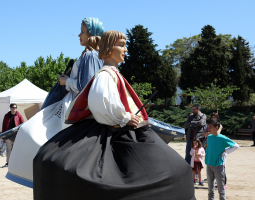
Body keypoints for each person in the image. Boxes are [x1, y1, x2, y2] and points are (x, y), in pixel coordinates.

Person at [33, 30, 195, 200]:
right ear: (109, 48)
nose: (126, 50)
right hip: (113, 125)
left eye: (125, 45)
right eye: (122, 45)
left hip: (121, 124)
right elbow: (100, 101)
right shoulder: (105, 75)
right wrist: (123, 117)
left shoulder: (114, 74)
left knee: (174, 167)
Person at [7, 17, 105, 186]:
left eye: (82, 31)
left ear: (92, 34)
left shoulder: (89, 55)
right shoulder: (94, 56)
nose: (79, 35)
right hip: (76, 103)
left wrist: (65, 82)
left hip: (72, 105)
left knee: (29, 130)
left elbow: (86, 87)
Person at [206, 118, 239, 200]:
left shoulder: (222, 138)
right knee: (210, 189)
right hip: (209, 164)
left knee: (221, 189)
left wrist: (225, 150)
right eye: (208, 126)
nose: (208, 128)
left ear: (216, 127)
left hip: (218, 166)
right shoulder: (209, 137)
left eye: (210, 127)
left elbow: (236, 146)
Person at [1, 103, 24, 167]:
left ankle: (17, 163)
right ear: (10, 108)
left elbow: (23, 124)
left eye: (16, 107)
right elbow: (4, 125)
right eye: (13, 107)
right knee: (8, 150)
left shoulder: (19, 115)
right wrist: (3, 135)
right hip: (8, 135)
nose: (15, 109)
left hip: (16, 135)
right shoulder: (6, 115)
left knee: (17, 149)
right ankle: (8, 162)